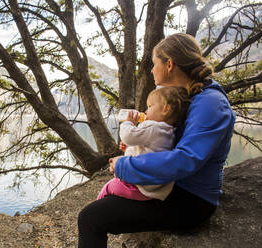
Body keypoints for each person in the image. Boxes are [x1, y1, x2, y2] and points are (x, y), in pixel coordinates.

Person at [78, 33, 235, 248]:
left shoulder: (211, 104)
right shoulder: (184, 95)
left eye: (154, 64)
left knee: (91, 218)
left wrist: (126, 166)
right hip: (167, 185)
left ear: (169, 64)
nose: (151, 70)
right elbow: (163, 140)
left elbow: (186, 159)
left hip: (190, 199)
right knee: (98, 209)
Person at [97, 86, 191, 201]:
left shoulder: (153, 127)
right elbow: (147, 149)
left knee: (109, 186)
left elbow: (128, 136)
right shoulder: (169, 131)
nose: (146, 111)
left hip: (138, 186)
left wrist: (128, 123)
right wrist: (129, 147)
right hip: (153, 187)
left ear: (166, 109)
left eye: (150, 106)